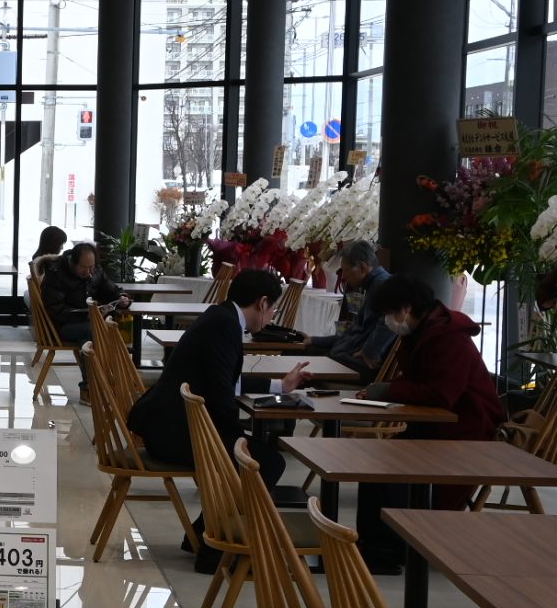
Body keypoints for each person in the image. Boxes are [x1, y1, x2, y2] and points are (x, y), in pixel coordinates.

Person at [350, 274, 508, 572]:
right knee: (374, 465)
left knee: (389, 471)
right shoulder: (421, 332)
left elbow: (441, 394)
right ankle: (375, 547)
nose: (387, 321)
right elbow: (416, 381)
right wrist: (388, 389)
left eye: (389, 313)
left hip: (465, 430)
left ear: (406, 308)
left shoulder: (449, 338)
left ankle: (392, 547)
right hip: (436, 424)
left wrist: (388, 391)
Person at [130, 269, 288, 564]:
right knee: (264, 462)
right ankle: (213, 549)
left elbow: (226, 381)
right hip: (174, 434)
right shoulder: (225, 326)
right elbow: (221, 395)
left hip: (170, 425)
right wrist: (238, 440)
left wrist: (279, 386)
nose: (271, 318)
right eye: (273, 310)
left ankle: (205, 537)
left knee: (255, 456)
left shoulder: (220, 316)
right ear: (263, 302)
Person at [278, 239, 395, 390]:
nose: (343, 276)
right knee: (296, 351)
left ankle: (283, 398)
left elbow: (390, 322)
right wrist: (315, 340)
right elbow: (352, 333)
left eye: (346, 270)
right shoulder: (375, 284)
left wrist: (370, 352)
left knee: (299, 365)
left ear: (362, 267)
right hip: (348, 354)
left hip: (358, 363)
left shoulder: (382, 285)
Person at [40, 240, 125, 349]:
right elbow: (55, 308)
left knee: (113, 325)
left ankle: (96, 359)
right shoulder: (56, 272)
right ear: (72, 262)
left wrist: (121, 297)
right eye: (83, 267)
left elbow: (109, 288)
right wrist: (85, 315)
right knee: (94, 330)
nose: (88, 271)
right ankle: (104, 359)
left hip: (89, 320)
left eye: (91, 267)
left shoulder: (96, 269)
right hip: (62, 325)